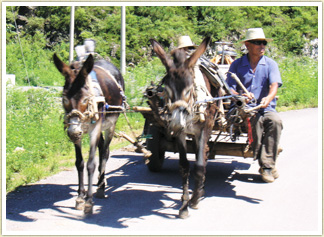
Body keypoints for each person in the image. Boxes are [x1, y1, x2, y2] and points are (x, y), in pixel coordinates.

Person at [226, 28, 283, 183]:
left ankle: (266, 166)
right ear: (247, 45)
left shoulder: (270, 64)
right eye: (257, 43)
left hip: (266, 107)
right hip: (243, 108)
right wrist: (240, 96)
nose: (262, 45)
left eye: (263, 42)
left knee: (275, 121)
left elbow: (274, 85)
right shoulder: (237, 65)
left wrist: (268, 98)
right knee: (256, 122)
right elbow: (228, 87)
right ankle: (268, 159)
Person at [172, 36, 212, 122]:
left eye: (187, 47)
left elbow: (194, 63)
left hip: (193, 70)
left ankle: (201, 107)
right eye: (183, 48)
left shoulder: (193, 55)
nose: (185, 49)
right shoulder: (176, 58)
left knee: (198, 85)